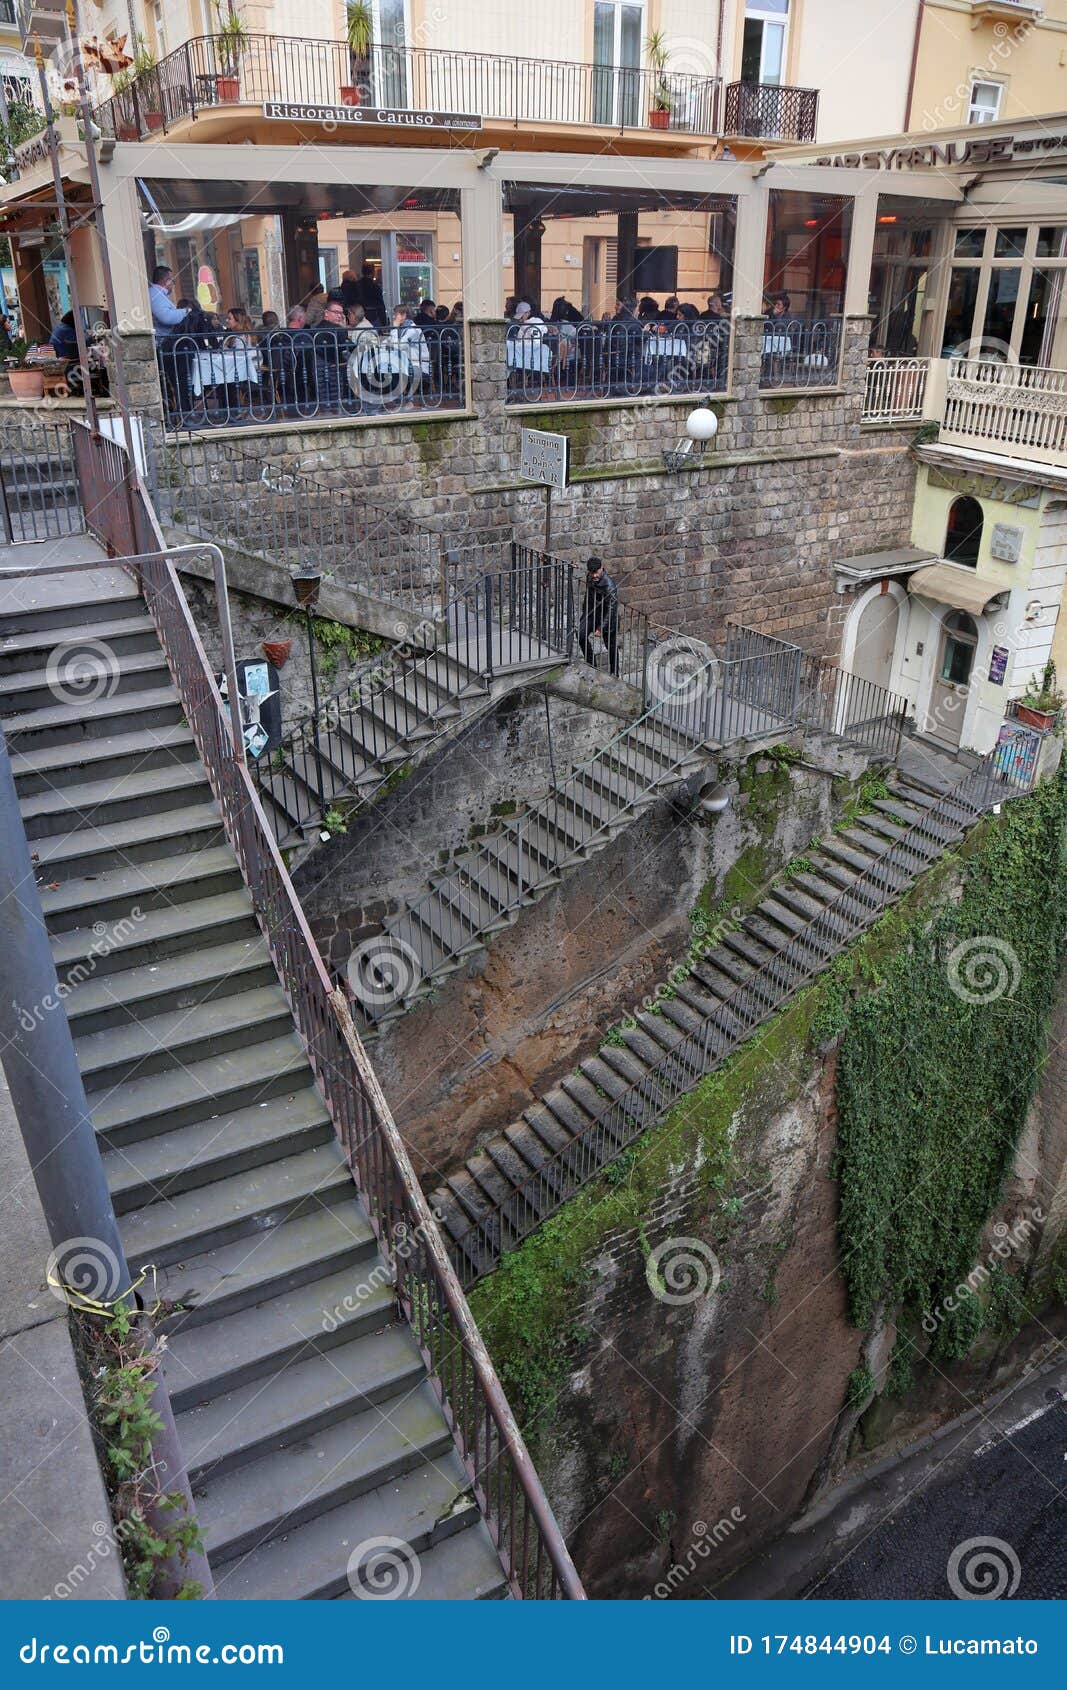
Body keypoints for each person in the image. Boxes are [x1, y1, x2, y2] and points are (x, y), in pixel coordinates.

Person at [149, 264, 192, 416]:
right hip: (165, 346)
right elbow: (166, 317)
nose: (173, 284)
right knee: (175, 380)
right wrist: (185, 312)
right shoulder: (155, 294)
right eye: (172, 281)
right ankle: (182, 411)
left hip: (167, 345)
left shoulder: (157, 294)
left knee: (177, 380)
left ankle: (183, 409)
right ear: (165, 281)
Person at [578, 556, 618, 677]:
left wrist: (601, 628)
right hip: (592, 615)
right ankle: (592, 665)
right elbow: (588, 597)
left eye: (596, 572)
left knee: (610, 646)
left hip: (607, 619)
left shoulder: (609, 586)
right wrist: (585, 615)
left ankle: (614, 672)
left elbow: (612, 610)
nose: (594, 575)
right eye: (592, 573)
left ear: (602, 568)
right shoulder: (590, 577)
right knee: (581, 635)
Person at [313, 294, 352, 406]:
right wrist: (343, 328)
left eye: (341, 313)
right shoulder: (334, 329)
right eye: (336, 312)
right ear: (326, 313)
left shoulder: (321, 326)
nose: (339, 316)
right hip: (330, 371)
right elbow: (346, 345)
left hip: (325, 370)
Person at [352, 262, 387, 326]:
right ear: (373, 272)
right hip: (373, 317)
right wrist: (384, 321)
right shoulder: (375, 287)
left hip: (358, 315)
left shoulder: (356, 285)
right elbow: (380, 305)